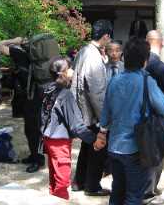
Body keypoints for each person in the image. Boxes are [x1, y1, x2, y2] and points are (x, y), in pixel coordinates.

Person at [93, 37, 164, 205]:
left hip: (115, 146)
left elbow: (105, 114)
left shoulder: (114, 80)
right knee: (134, 196)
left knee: (117, 192)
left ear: (124, 58)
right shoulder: (146, 81)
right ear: (145, 60)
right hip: (136, 148)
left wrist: (102, 134)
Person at [41, 57, 95, 200]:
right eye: (69, 68)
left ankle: (53, 197)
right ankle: (60, 199)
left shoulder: (49, 89)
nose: (72, 70)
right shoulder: (65, 95)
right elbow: (76, 125)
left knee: (54, 175)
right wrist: (94, 139)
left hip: (48, 138)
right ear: (62, 73)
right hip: (59, 141)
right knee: (62, 180)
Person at [71, 19, 113, 196]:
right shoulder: (93, 56)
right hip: (92, 112)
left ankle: (79, 181)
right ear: (105, 36)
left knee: (87, 146)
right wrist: (105, 119)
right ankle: (92, 186)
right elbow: (97, 92)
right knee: (98, 148)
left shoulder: (83, 51)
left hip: (82, 110)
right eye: (109, 38)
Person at [0, 37, 45, 173]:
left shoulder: (19, 52)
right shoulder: (34, 56)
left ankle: (36, 160)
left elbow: (0, 45)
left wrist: (13, 40)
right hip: (36, 94)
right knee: (34, 128)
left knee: (32, 130)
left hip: (29, 96)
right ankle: (36, 156)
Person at [143, 30, 164, 202]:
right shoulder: (162, 68)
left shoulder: (135, 63)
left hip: (136, 115)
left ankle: (146, 188)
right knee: (156, 154)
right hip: (157, 117)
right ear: (161, 43)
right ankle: (150, 190)